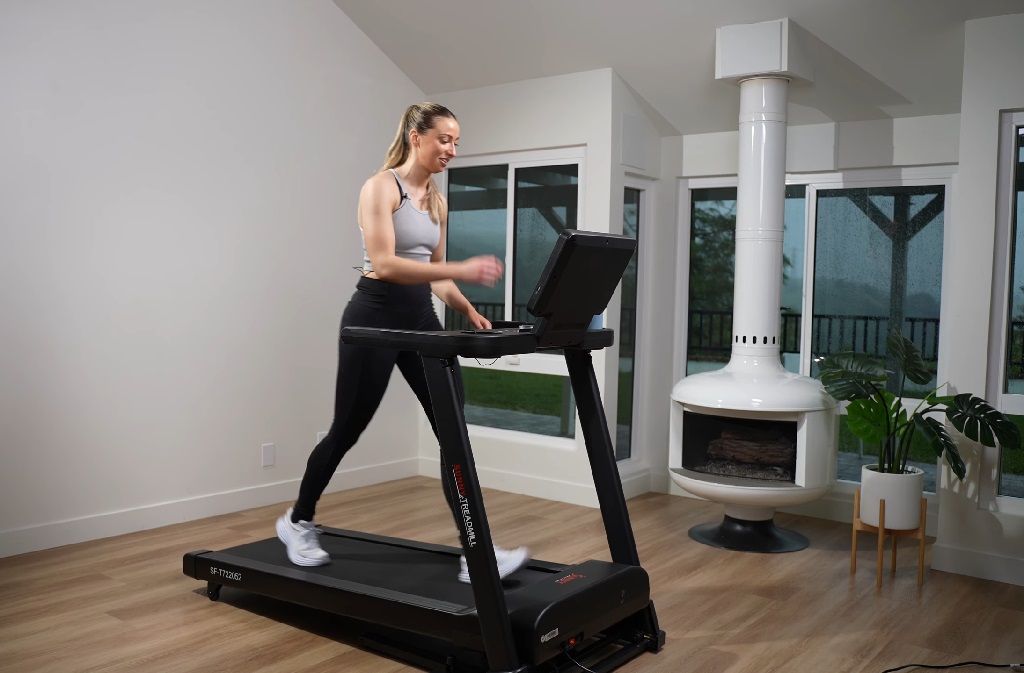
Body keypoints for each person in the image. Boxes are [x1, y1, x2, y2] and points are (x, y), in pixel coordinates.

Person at [276, 102, 528, 583]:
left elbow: (434, 277)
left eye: (457, 141)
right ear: (417, 137)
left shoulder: (436, 200)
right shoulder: (379, 188)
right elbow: (387, 264)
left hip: (420, 318)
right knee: (346, 430)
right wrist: (459, 268)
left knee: (451, 427)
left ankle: (475, 552)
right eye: (444, 139)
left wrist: (469, 309)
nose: (452, 149)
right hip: (373, 316)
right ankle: (297, 521)